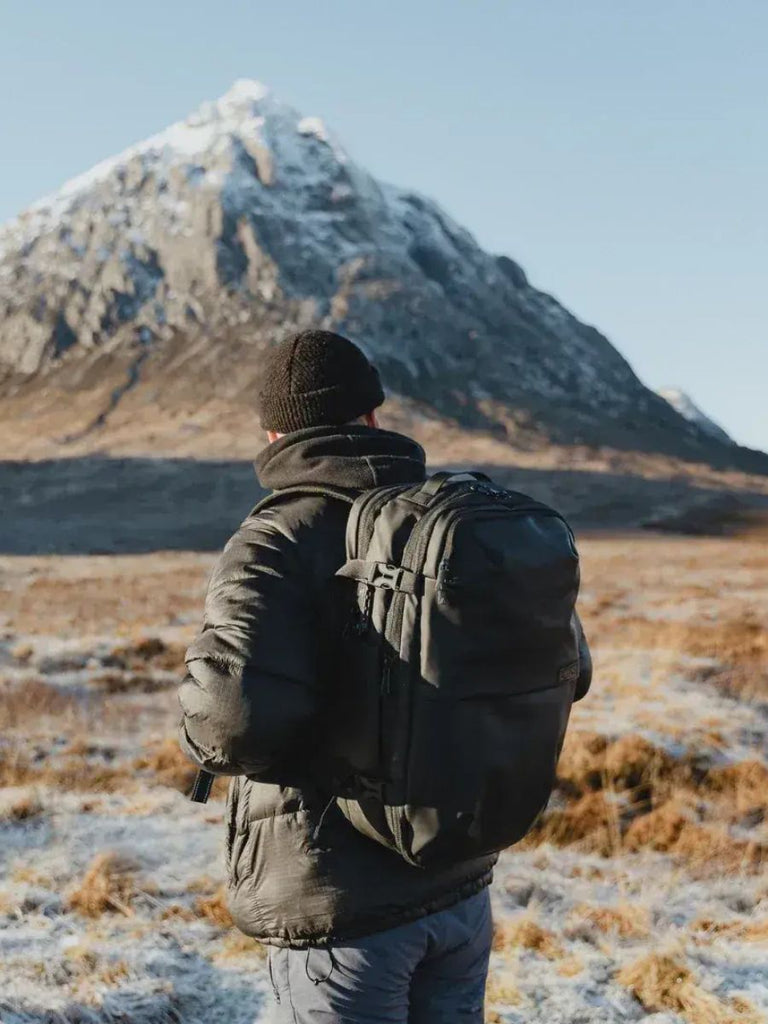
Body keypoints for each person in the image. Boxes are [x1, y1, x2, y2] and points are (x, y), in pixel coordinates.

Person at [178, 329, 590, 1022]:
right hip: (460, 885)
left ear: (275, 431)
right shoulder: (454, 521)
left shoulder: (277, 537)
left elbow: (231, 725)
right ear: (373, 414)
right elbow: (569, 671)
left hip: (340, 910)